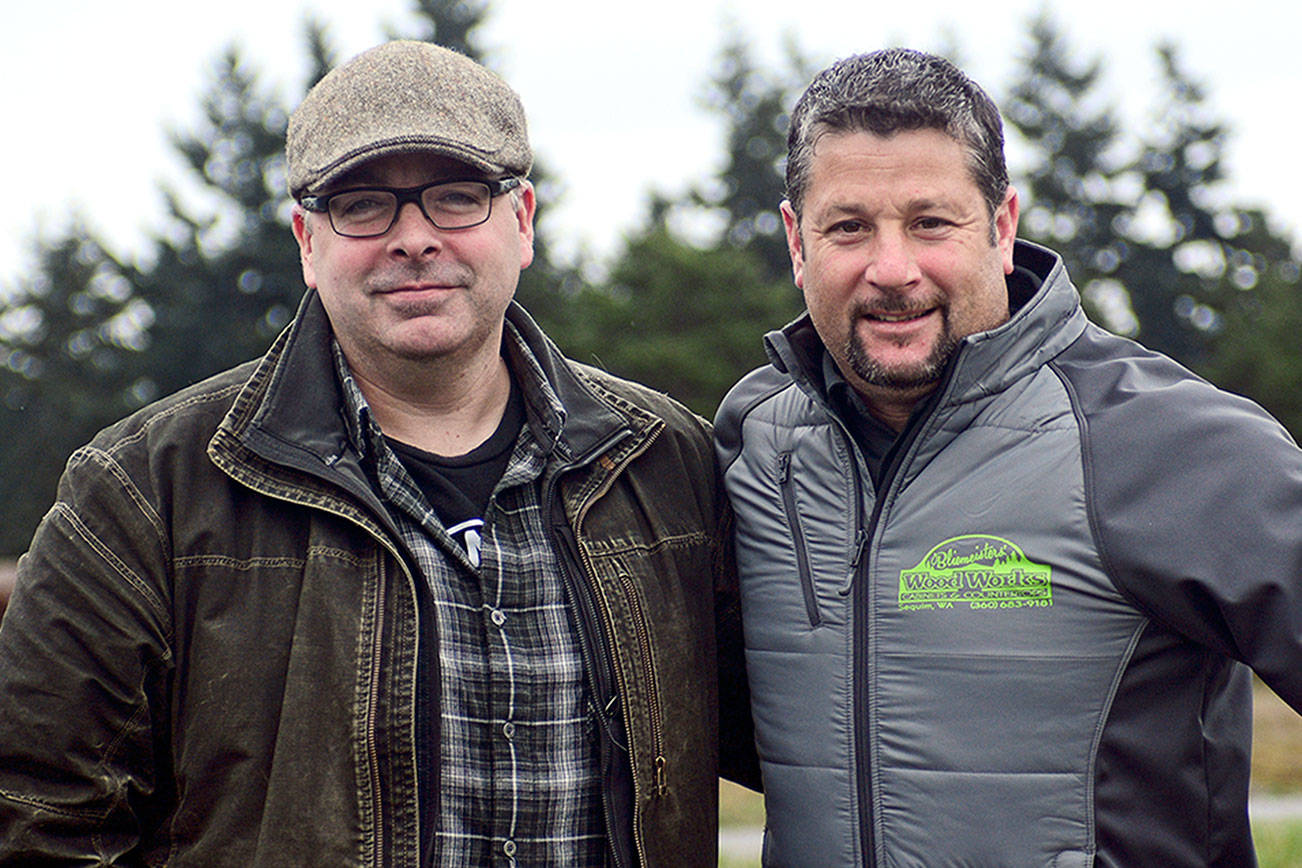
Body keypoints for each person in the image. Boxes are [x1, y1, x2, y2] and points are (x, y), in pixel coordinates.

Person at [0, 40, 755, 866]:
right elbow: (38, 814)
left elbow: (816, 737)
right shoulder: (145, 490)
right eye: (363, 205)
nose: (414, 239)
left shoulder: (665, 463)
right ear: (306, 242)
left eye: (456, 197)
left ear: (523, 220)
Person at [715, 47, 1302, 866]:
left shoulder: (1169, 443)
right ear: (795, 238)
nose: (892, 269)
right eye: (848, 227)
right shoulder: (755, 446)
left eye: (931, 222)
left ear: (1000, 226)